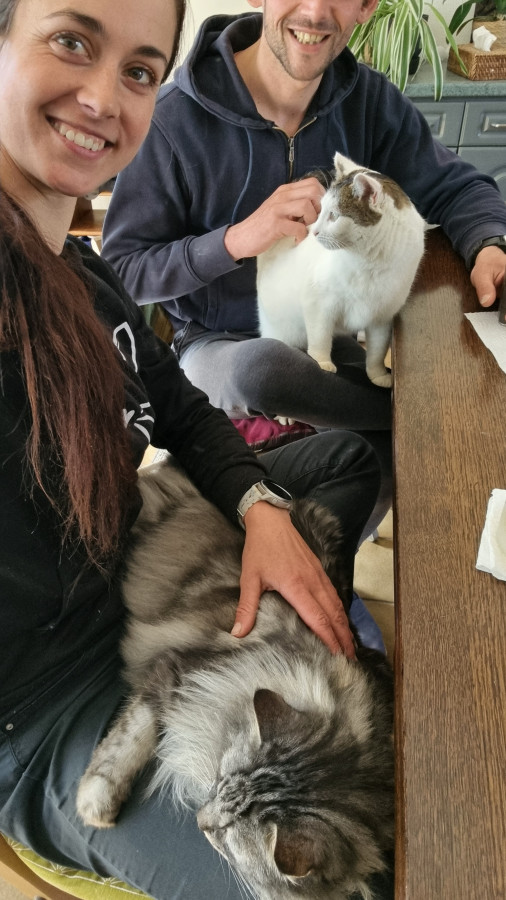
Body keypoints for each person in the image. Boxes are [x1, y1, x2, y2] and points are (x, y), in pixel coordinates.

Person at [0, 0, 393, 898]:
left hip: (141, 565)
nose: (104, 97)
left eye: (140, 70)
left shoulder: (81, 271)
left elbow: (181, 408)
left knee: (342, 462)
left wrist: (259, 513)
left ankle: (308, 646)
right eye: (71, 41)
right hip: (53, 702)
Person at [101, 0, 506, 539]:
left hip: (327, 330)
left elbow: (457, 186)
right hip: (213, 346)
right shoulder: (172, 118)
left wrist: (489, 244)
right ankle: (432, 417)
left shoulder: (369, 102)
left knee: (386, 455)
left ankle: (329, 564)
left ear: (366, 7)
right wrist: (235, 241)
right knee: (263, 370)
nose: (314, 10)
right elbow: (121, 271)